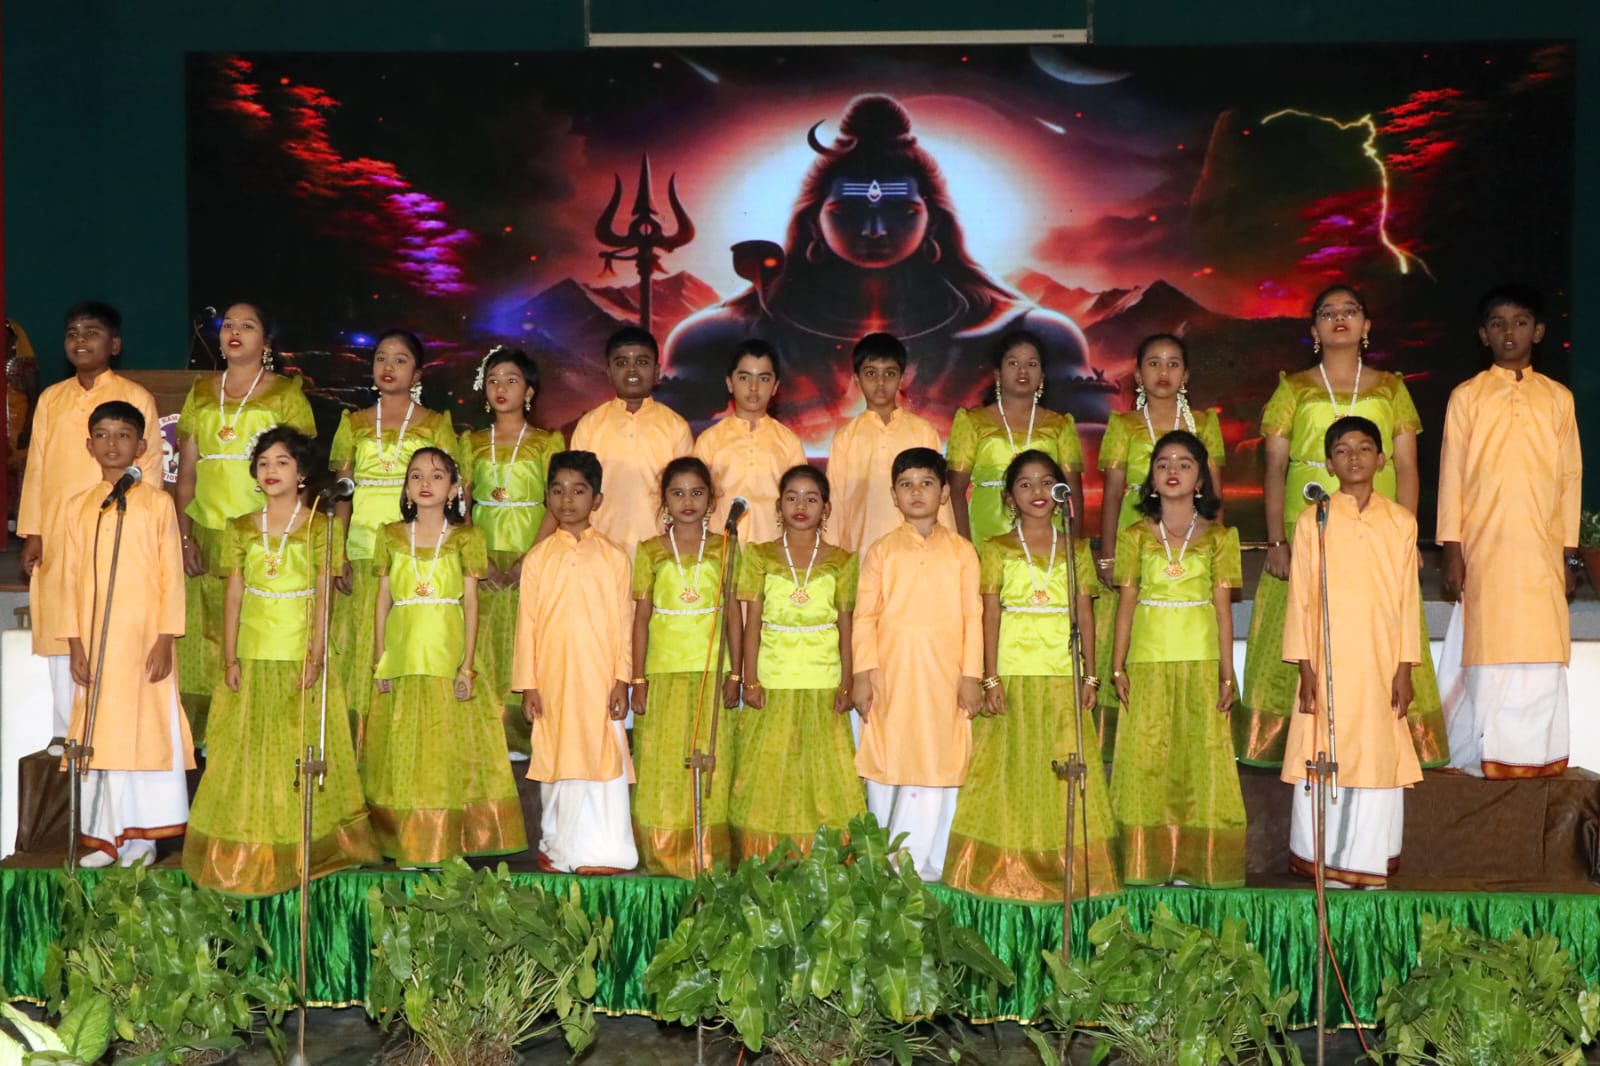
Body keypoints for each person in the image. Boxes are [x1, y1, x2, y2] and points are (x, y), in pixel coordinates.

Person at [1238, 286, 1446, 769]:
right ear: (1313, 328)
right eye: (1327, 312)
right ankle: (1288, 740)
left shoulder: (1391, 388)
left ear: (1366, 325)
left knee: (1383, 617)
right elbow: (1274, 468)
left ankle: (1386, 734)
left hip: (1379, 524)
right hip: (1308, 521)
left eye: (1350, 310)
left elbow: (1408, 467)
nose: (1339, 319)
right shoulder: (1293, 388)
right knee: (1300, 619)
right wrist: (1277, 540)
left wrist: (1409, 536)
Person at [183, 427, 377, 894]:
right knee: (247, 748)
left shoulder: (321, 527)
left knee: (298, 748)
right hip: (252, 654)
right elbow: (234, 595)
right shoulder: (240, 527)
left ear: (302, 472)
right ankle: (248, 843)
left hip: (299, 655)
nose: (271, 471)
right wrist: (229, 656)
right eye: (264, 463)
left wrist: (316, 654)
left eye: (282, 462)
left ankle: (304, 845)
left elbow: (325, 596)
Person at [944, 450, 1120, 900]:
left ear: (1061, 493)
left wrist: (1091, 676)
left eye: (1045, 482)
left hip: (1062, 674)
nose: (1036, 492)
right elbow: (989, 615)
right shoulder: (996, 548)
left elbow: (1085, 614)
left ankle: (1065, 869)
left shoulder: (1076, 549)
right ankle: (1005, 869)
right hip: (1014, 673)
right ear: (1009, 497)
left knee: (1063, 768)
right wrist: (990, 677)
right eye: (1024, 484)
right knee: (1009, 768)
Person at [1438, 285, 1582, 778]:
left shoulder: (1558, 399)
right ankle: (1486, 756)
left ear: (1537, 332)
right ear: (1483, 335)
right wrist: (1452, 549)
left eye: (1520, 322)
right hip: (1485, 549)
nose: (1509, 333)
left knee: (1541, 651)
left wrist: (1568, 554)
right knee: (1490, 647)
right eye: (1497, 324)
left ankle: (1538, 756)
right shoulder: (1467, 396)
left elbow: (1570, 478)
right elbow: (1452, 475)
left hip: (1542, 550)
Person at [363, 447, 526, 865]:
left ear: (454, 489)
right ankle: (407, 841)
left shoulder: (467, 538)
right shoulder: (390, 535)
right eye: (416, 476)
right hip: (403, 658)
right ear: (406, 488)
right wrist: (380, 658)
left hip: (446, 658)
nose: (425, 483)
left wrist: (467, 666)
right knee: (403, 750)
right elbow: (383, 600)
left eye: (437, 476)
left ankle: (444, 842)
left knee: (444, 751)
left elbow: (471, 603)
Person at [1284, 417, 1423, 888]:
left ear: (1382, 460)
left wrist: (1404, 668)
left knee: (1376, 753)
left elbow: (1407, 602)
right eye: (1342, 450)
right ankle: (1324, 859)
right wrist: (1305, 667)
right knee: (1326, 748)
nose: (1354, 457)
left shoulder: (1401, 522)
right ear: (1328, 463)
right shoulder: (1313, 521)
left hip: (1382, 660)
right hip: (1328, 663)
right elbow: (1300, 599)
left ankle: (1365, 862)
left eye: (1364, 448)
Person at [60, 402, 194, 867]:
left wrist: (165, 638)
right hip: (96, 642)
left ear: (141, 446)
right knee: (102, 734)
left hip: (143, 641)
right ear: (89, 445)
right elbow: (70, 580)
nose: (112, 443)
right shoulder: (80, 507)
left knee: (147, 732)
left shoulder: (157, 504)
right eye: (102, 434)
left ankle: (144, 838)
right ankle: (105, 836)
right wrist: (75, 643)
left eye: (122, 435)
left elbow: (171, 576)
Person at [19, 302, 161, 738]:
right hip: (60, 536)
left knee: (109, 624)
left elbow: (149, 473)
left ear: (114, 345)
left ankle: (110, 738)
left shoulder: (135, 398)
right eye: (73, 333)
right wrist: (33, 531)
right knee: (63, 626)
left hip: (116, 535)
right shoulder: (51, 398)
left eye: (92, 332)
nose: (80, 340)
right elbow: (37, 467)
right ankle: (68, 735)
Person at [175, 302, 316, 741]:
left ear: (265, 342)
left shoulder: (286, 395)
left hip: (263, 538)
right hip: (207, 531)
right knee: (203, 638)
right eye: (228, 325)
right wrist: (184, 538)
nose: (235, 332)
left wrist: (295, 537)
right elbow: (186, 475)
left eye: (247, 326)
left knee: (250, 631)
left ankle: (254, 731)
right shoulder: (201, 391)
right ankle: (205, 740)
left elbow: (302, 474)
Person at [1109, 431, 1244, 887]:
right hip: (1147, 660)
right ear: (1151, 478)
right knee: (1146, 759)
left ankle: (1196, 863)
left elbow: (1223, 611)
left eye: (1185, 463)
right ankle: (1145, 863)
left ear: (1201, 479)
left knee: (1198, 759)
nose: (1172, 470)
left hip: (1200, 660)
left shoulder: (1221, 537)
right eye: (1163, 462)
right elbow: (1126, 605)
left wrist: (1227, 673)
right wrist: (1117, 666)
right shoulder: (1134, 536)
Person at [852, 447, 983, 881]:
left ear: (944, 493)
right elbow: (864, 617)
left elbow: (973, 616)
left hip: (946, 673)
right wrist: (862, 675)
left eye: (927, 483)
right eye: (906, 485)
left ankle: (929, 861)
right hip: (891, 672)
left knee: (939, 756)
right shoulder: (882, 551)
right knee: (888, 756)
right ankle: (882, 860)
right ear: (894, 495)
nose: (916, 492)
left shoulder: (962, 552)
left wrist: (971, 676)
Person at [1092, 334, 1225, 753]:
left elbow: (1216, 494)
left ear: (1186, 375)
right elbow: (1113, 494)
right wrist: (1108, 555)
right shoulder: (1124, 425)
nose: (1163, 372)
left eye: (1172, 364)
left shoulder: (1204, 423)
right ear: (1137, 374)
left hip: (1192, 545)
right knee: (1129, 630)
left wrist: (1216, 552)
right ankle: (1122, 739)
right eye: (1153, 363)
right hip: (1138, 544)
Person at [329, 329, 461, 734]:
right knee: (359, 642)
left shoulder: (435, 424)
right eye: (381, 358)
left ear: (417, 374)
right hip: (362, 548)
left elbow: (452, 492)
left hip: (413, 552)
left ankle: (402, 734)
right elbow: (343, 494)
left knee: (405, 637)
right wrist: (338, 552)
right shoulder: (353, 422)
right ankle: (359, 740)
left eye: (400, 360)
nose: (389, 367)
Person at [513, 450, 638, 874]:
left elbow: (623, 623)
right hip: (552, 678)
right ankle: (558, 847)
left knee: (603, 755)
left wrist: (622, 679)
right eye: (558, 490)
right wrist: (529, 684)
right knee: (557, 756)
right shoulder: (538, 558)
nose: (567, 499)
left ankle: (607, 851)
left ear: (597, 499)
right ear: (547, 498)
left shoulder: (614, 556)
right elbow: (526, 625)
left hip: (600, 678)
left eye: (579, 491)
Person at [731, 464, 863, 860]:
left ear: (826, 508)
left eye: (811, 498)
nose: (801, 506)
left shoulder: (842, 560)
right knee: (770, 768)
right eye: (791, 498)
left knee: (823, 772)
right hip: (772, 678)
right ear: (779, 507)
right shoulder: (758, 555)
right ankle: (765, 854)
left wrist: (846, 683)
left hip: (824, 678)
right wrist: (750, 680)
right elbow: (752, 623)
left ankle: (825, 857)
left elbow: (846, 626)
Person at [629, 457, 739, 876]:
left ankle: (708, 857)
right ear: (664, 500)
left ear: (711, 499)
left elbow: (733, 612)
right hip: (663, 672)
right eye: (677, 493)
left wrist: (736, 673)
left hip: (710, 673)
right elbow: (641, 618)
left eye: (696, 492)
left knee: (713, 761)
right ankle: (663, 853)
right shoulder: (650, 550)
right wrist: (638, 678)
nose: (687, 501)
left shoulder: (726, 548)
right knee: (662, 760)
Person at [462, 347, 564, 757]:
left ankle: (528, 736)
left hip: (532, 554)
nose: (500, 388)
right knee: (483, 643)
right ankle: (487, 737)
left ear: (529, 391)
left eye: (511, 380)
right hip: (483, 558)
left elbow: (557, 502)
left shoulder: (547, 442)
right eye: (493, 380)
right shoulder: (470, 442)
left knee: (529, 641)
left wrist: (531, 558)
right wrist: (477, 556)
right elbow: (461, 505)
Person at [947, 330, 1084, 547]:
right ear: (998, 374)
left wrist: (1072, 547)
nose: (1022, 370)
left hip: (1048, 539)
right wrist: (965, 549)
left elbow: (1073, 492)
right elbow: (955, 490)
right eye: (1013, 363)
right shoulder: (972, 422)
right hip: (986, 534)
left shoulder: (1060, 425)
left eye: (1032, 364)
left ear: (1042, 376)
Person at [569, 326, 694, 561]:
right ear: (609, 372)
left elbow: (686, 494)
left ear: (656, 371)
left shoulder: (675, 426)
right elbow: (576, 491)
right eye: (622, 363)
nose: (632, 370)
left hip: (659, 551)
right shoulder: (590, 425)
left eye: (642, 362)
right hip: (599, 550)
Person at [827, 332, 952, 553]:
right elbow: (835, 504)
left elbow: (938, 496)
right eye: (871, 373)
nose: (880, 382)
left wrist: (946, 551)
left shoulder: (922, 431)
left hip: (916, 552)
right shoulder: (845, 438)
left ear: (902, 378)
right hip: (861, 550)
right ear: (856, 379)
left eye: (890, 373)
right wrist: (832, 558)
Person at [693, 340, 807, 545]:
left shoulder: (789, 442)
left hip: (771, 554)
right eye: (745, 377)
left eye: (763, 378)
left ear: (775, 386)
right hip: (720, 553)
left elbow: (801, 504)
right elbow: (695, 504)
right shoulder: (709, 441)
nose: (754, 387)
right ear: (730, 383)